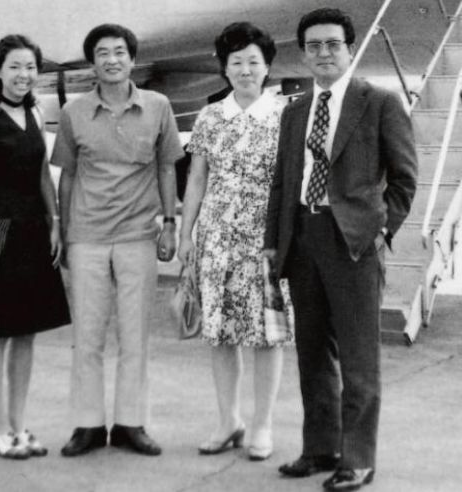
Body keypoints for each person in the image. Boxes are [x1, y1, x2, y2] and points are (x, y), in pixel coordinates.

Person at [264, 8, 418, 491]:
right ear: (303, 53)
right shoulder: (294, 111)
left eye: (333, 44)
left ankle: (357, 459)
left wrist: (379, 230)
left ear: (350, 49)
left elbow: (405, 180)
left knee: (358, 356)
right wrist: (273, 243)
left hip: (353, 240)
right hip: (301, 237)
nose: (324, 53)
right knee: (311, 352)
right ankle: (320, 448)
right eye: (314, 46)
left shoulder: (380, 102)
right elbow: (282, 182)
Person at [52, 23, 183, 458]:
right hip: (87, 237)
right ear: (92, 63)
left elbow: (167, 167)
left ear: (132, 59)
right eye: (103, 53)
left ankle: (131, 424)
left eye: (120, 52)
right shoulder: (73, 112)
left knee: (134, 335)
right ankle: (87, 425)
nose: (112, 59)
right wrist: (65, 232)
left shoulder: (158, 106)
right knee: (87, 337)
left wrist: (170, 223)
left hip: (138, 235)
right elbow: (68, 175)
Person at [178, 22, 293, 462]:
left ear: (267, 67)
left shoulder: (285, 115)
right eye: (236, 62)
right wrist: (186, 234)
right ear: (224, 69)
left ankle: (262, 425)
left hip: (268, 240)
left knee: (268, 334)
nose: (245, 70)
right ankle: (229, 420)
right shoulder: (209, 117)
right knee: (221, 333)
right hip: (216, 238)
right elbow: (197, 179)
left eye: (253, 62)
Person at [0, 34, 71, 459]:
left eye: (30, 67)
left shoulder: (35, 113)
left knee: (26, 334)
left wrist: (54, 223)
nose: (24, 75)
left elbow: (42, 175)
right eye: (15, 67)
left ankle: (19, 426)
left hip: (33, 233)